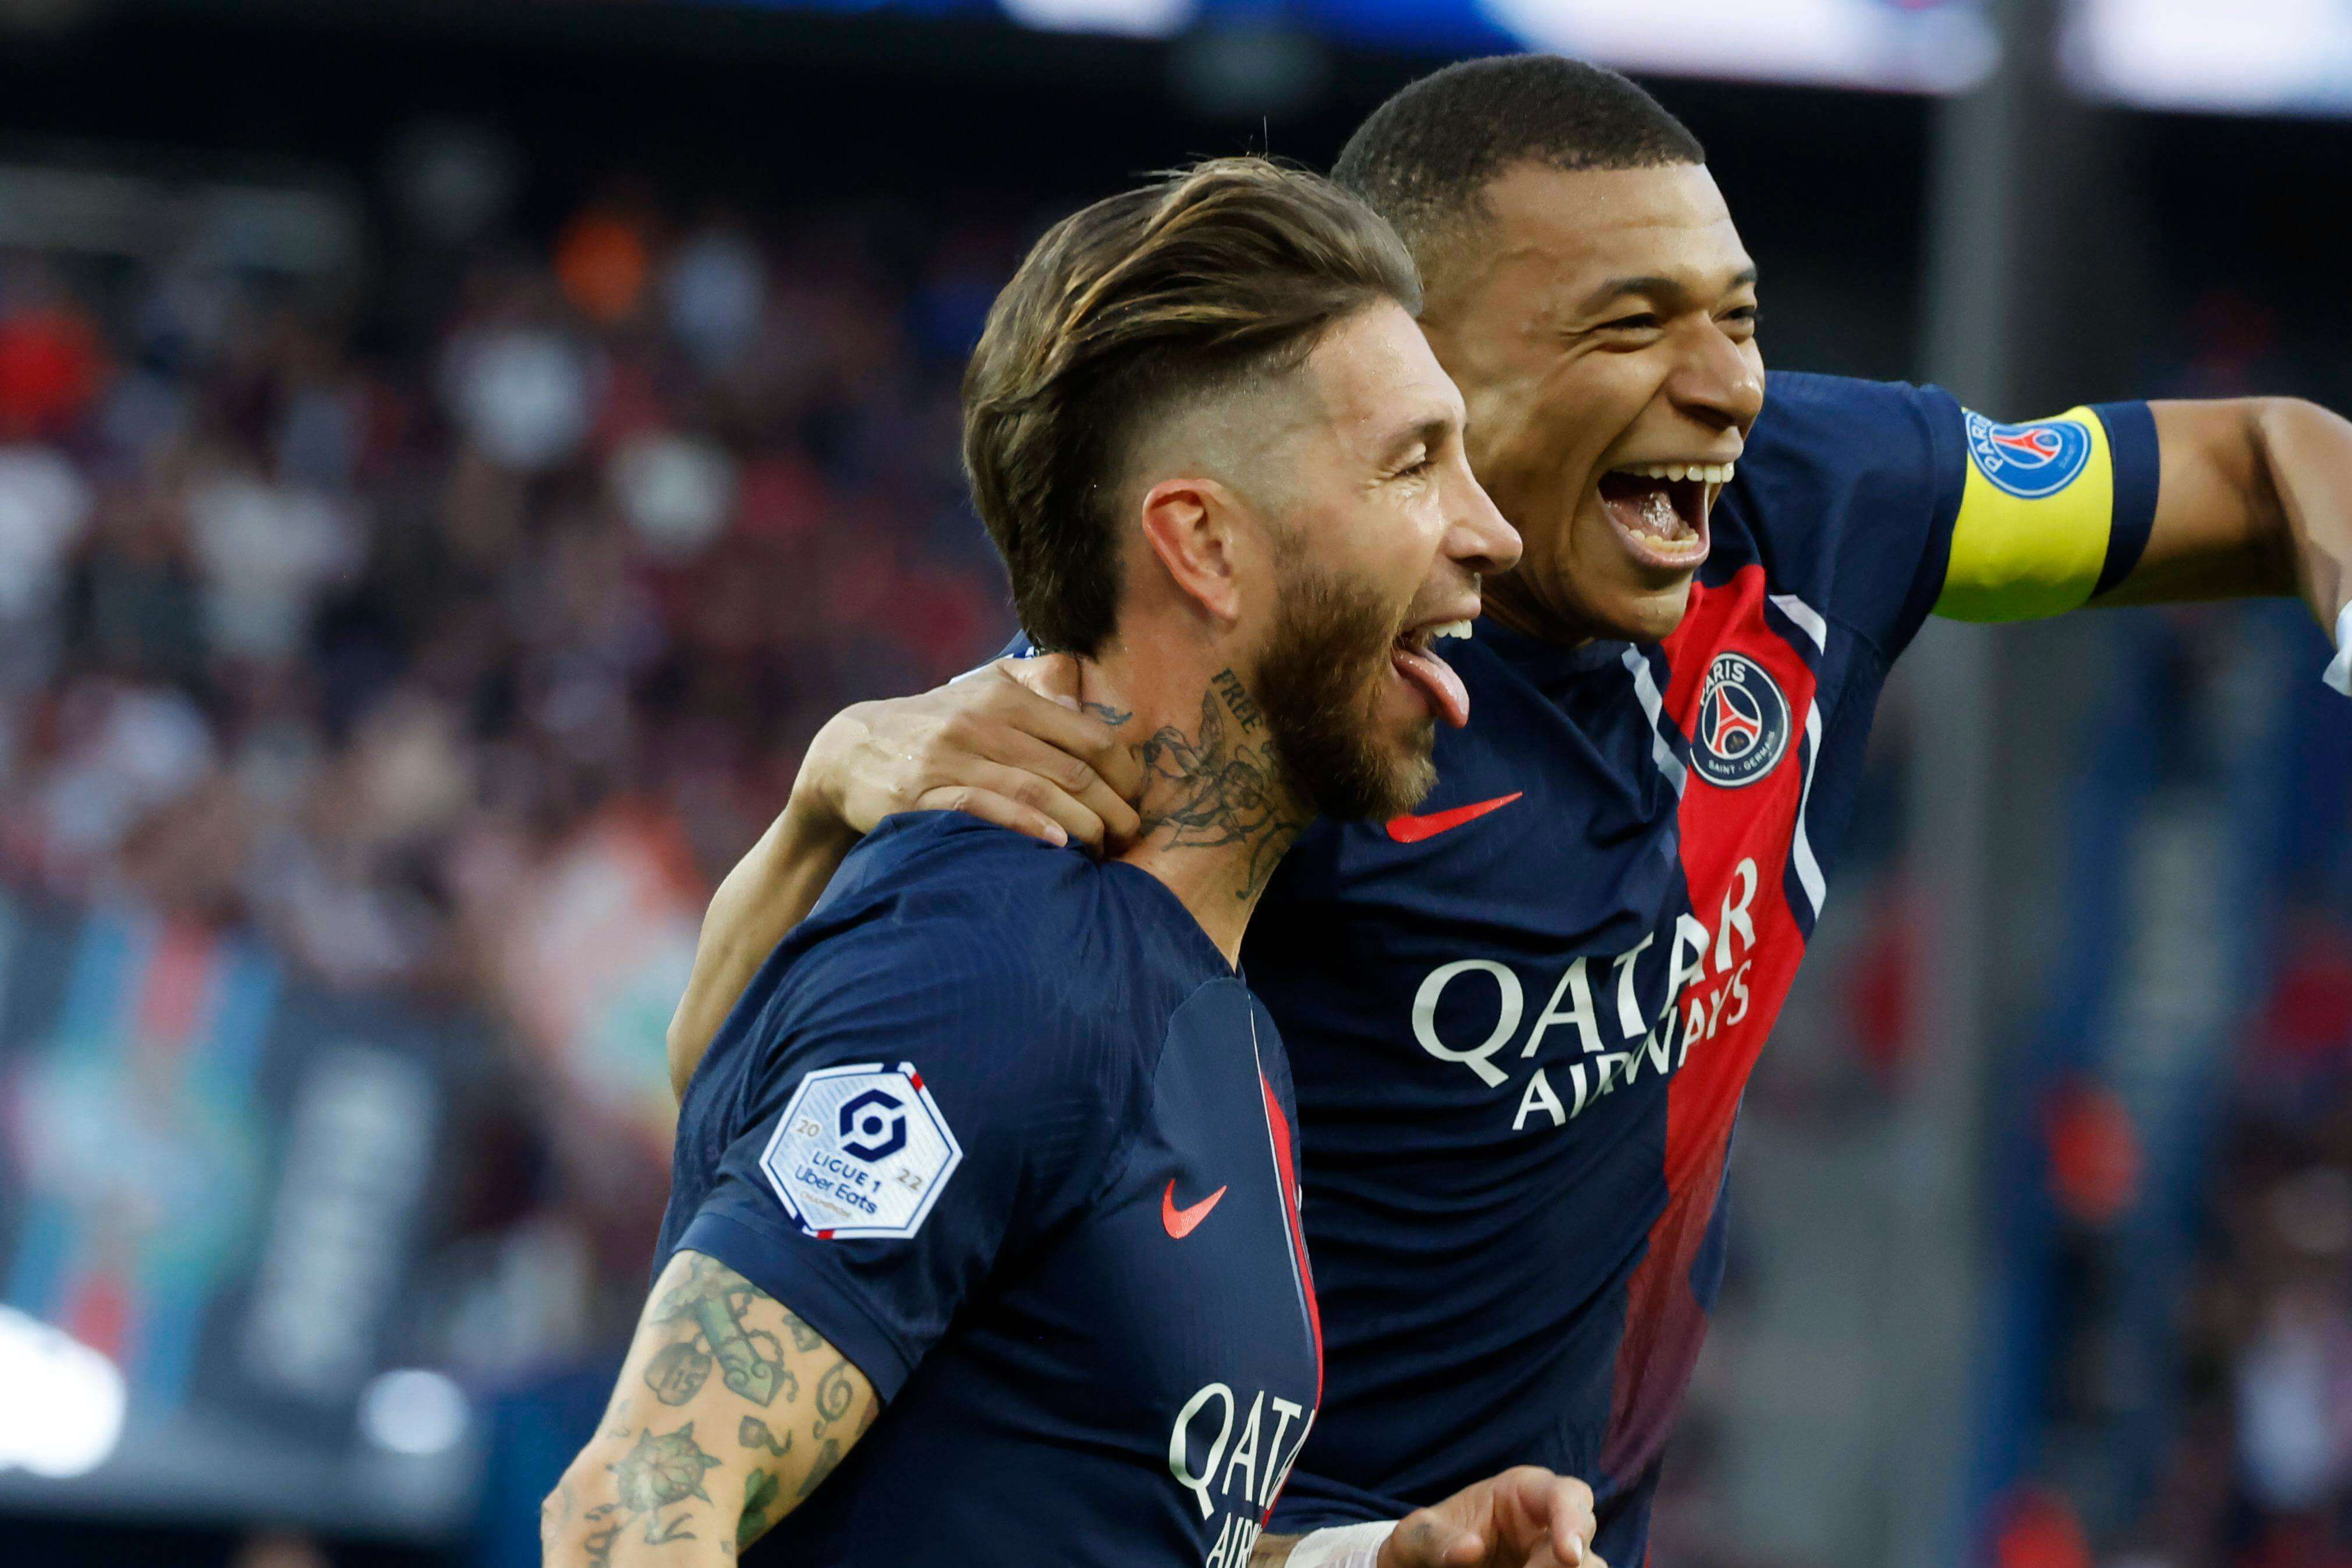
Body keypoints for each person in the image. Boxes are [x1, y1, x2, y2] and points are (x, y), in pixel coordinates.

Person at [663, 58, 2352, 1568]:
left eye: (1739, 314)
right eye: (1629, 324)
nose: (1725, 385)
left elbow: (2274, 459)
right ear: (1426, 377)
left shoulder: (1819, 504)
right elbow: (758, 1099)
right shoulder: (1263, 684)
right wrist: (818, 811)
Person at [541, 157, 1600, 1568]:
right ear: (1204, 545)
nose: (1492, 531)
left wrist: (1375, 1559)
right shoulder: (1000, 956)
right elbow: (637, 1507)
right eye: (1413, 463)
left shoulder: (1210, 1011)